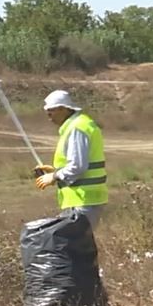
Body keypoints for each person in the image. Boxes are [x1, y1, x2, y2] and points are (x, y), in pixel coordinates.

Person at [34, 90, 108, 227]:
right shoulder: (79, 124)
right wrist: (56, 171)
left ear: (63, 109)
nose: (49, 116)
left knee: (72, 240)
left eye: (51, 111)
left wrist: (54, 176)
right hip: (84, 200)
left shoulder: (77, 128)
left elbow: (78, 166)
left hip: (83, 200)